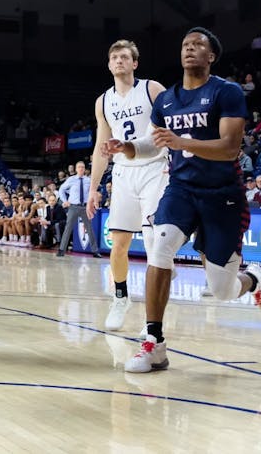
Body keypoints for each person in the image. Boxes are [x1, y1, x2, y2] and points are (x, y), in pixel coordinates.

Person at [116, 28, 261, 374]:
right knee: (159, 248)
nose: (189, 48)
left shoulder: (226, 91)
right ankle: (154, 343)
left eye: (198, 45)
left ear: (211, 56)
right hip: (181, 189)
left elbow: (230, 148)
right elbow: (154, 143)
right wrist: (128, 147)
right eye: (185, 45)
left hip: (222, 195)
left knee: (221, 289)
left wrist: (180, 141)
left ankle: (253, 279)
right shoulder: (166, 99)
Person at [87, 40, 167, 330]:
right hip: (123, 172)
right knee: (118, 244)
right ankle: (120, 297)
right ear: (109, 65)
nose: (119, 60)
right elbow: (101, 147)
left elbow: (172, 127)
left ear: (135, 63)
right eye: (114, 57)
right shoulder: (103, 101)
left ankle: (153, 317)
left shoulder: (152, 89)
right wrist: (93, 188)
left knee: (153, 243)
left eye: (124, 56)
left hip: (155, 168)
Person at [55, 163, 96, 257]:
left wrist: (92, 203)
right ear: (76, 169)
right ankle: (62, 249)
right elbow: (61, 189)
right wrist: (65, 201)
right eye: (79, 167)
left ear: (84, 169)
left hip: (85, 206)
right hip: (73, 206)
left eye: (83, 167)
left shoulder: (88, 180)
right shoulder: (71, 179)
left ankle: (95, 251)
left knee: (89, 228)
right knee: (68, 228)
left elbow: (92, 192)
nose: (81, 168)